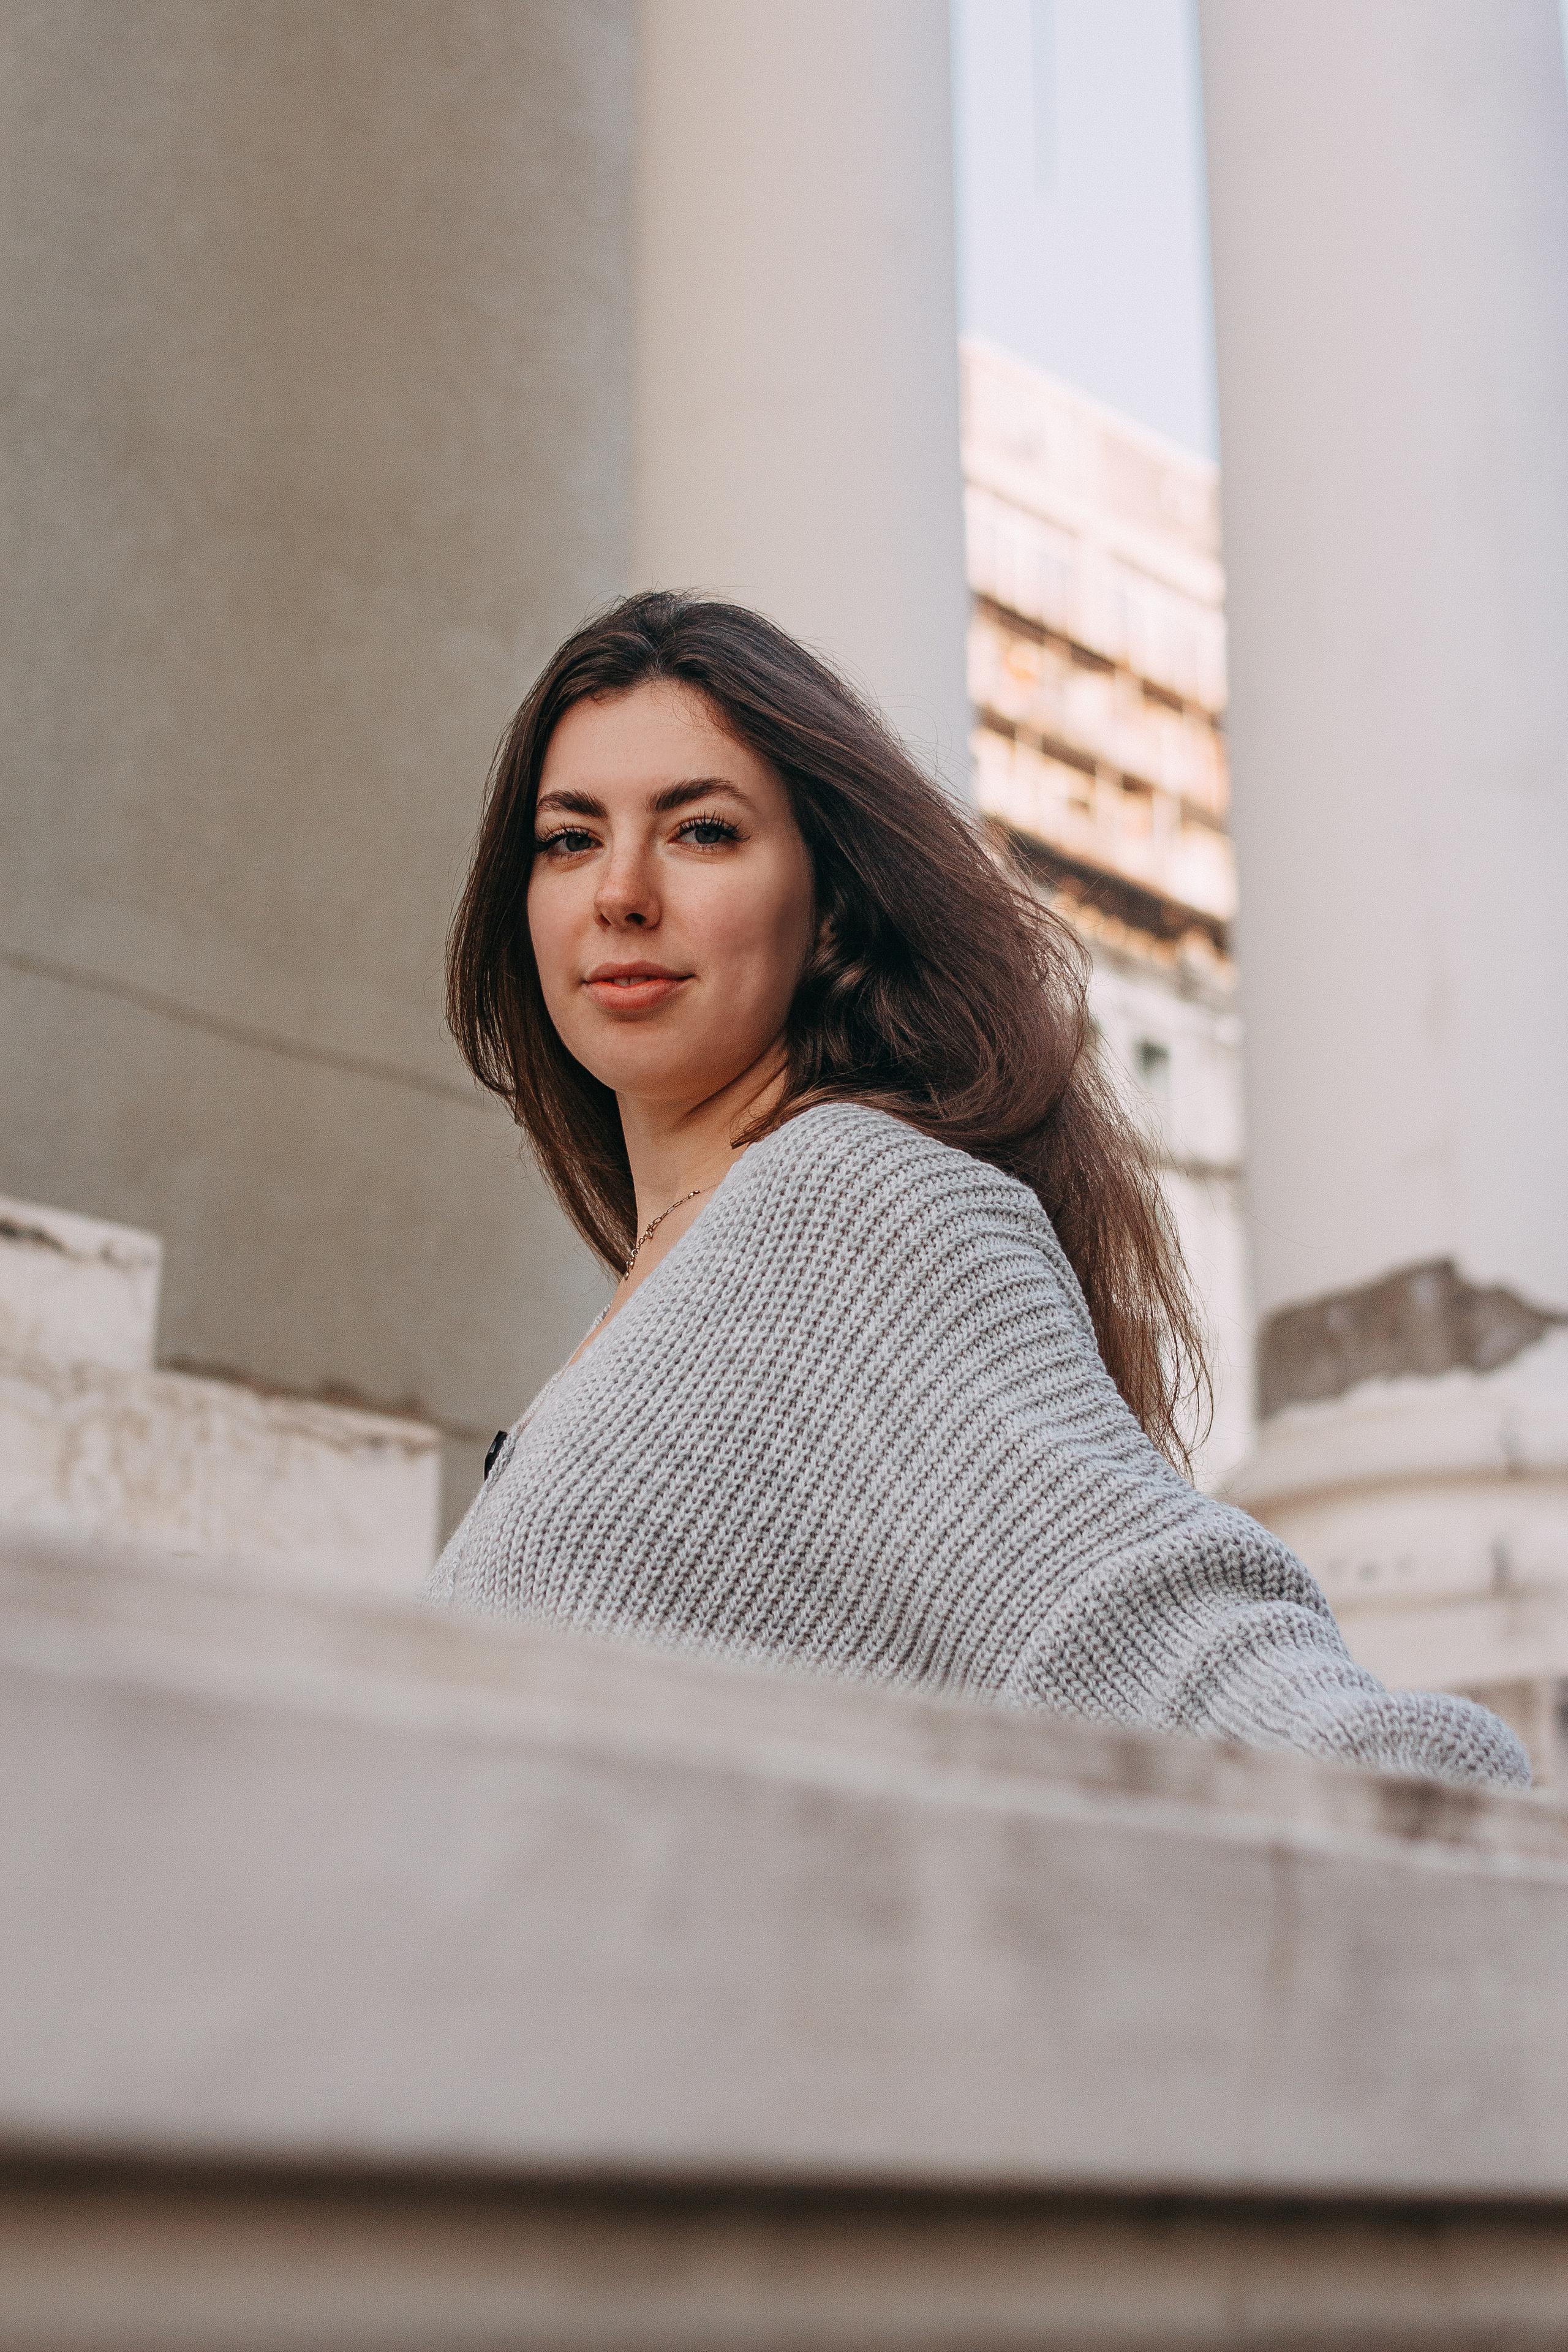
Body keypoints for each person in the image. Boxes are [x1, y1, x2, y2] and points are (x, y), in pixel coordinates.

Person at [428, 590, 1526, 1790]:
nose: (619, 893)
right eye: (567, 838)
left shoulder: (851, 1204)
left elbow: (1163, 1641)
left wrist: (1443, 1830)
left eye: (700, 831)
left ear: (830, 900)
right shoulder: (658, 1293)